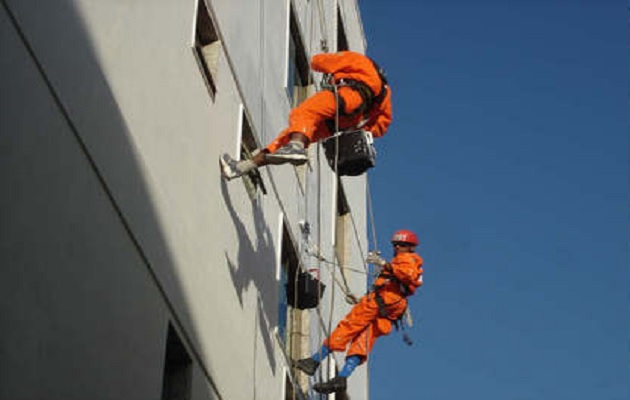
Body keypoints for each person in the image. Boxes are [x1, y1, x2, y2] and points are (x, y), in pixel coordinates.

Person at [220, 50, 392, 180]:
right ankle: (242, 167)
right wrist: (357, 128)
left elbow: (318, 62)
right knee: (293, 134)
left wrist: (321, 62)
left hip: (347, 96)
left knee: (303, 113)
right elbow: (382, 125)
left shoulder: (359, 61)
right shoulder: (385, 93)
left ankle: (295, 147)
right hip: (344, 121)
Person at [293, 229, 423, 394]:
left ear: (411, 247)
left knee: (348, 326)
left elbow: (408, 275)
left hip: (382, 301)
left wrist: (385, 265)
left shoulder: (408, 259)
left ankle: (314, 361)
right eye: (396, 244)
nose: (397, 247)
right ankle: (342, 378)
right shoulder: (405, 261)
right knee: (363, 340)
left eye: (402, 245)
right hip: (388, 307)